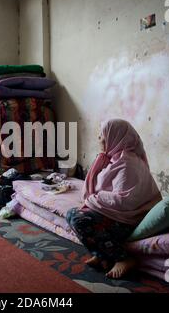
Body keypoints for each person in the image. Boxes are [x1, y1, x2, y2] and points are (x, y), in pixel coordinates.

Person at [66, 119, 162, 279]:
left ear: (115, 137)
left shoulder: (128, 164)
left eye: (102, 135)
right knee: (71, 214)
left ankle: (123, 258)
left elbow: (125, 201)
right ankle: (102, 254)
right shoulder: (115, 159)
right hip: (118, 215)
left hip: (129, 220)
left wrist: (93, 199)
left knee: (79, 219)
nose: (99, 138)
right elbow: (94, 188)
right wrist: (93, 198)